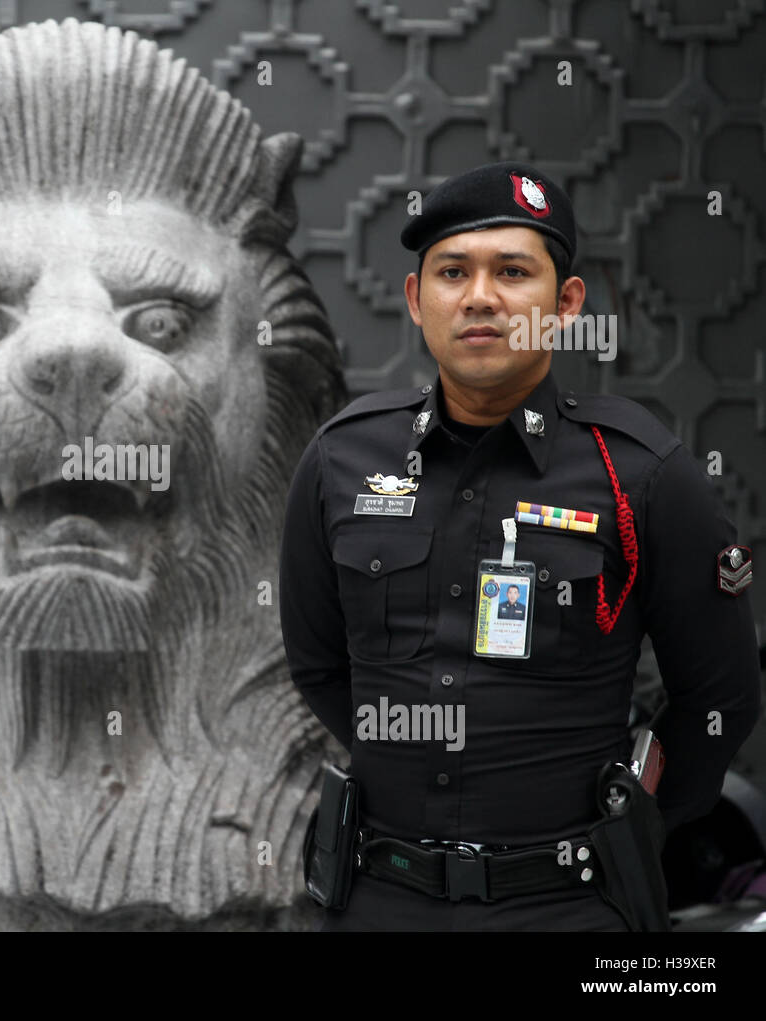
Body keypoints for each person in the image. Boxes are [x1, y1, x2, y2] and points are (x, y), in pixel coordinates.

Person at [279, 161, 759, 931]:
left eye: (512, 271)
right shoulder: (342, 459)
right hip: (379, 901)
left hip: (572, 906)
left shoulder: (641, 472)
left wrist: (631, 825)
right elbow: (319, 665)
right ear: (416, 300)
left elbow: (720, 698)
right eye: (452, 272)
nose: (480, 296)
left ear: (564, 303)